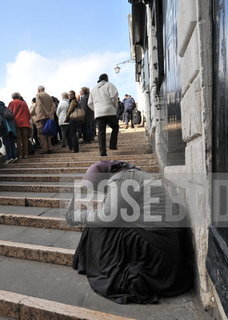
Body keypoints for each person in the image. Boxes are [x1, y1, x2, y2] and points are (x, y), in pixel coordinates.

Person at [70, 161, 194, 304]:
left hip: (157, 249)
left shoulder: (121, 179)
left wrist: (79, 216)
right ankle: (92, 263)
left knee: (96, 228)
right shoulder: (129, 174)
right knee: (97, 222)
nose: (98, 189)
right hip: (164, 246)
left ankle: (93, 264)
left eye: (96, 184)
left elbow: (108, 216)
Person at [88, 73, 120, 157]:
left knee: (101, 132)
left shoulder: (94, 88)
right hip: (109, 110)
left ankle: (102, 152)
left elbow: (89, 103)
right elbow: (114, 97)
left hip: (98, 113)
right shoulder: (109, 85)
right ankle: (112, 145)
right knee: (115, 127)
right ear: (106, 79)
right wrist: (114, 106)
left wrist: (96, 109)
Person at [8, 92, 30, 159]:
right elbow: (28, 113)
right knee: (25, 139)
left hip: (16, 123)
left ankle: (19, 155)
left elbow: (9, 113)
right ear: (19, 96)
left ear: (12, 97)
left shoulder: (11, 103)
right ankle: (25, 154)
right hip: (25, 123)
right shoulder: (24, 103)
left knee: (18, 140)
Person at [34, 85, 55, 154]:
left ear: (38, 90)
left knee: (42, 133)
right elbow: (53, 106)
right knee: (48, 133)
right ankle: (50, 148)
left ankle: (45, 149)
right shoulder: (49, 96)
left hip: (41, 116)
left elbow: (39, 105)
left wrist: (40, 115)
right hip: (48, 117)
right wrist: (50, 113)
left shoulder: (38, 95)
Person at [0, 97, 16, 163]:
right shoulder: (5, 106)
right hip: (11, 127)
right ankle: (14, 156)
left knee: (6, 142)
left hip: (5, 127)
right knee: (12, 142)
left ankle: (9, 157)